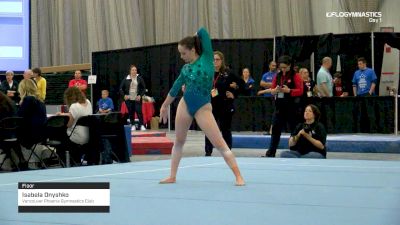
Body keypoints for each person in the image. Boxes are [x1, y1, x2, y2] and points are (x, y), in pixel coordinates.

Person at [158, 27, 244, 186]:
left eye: (183, 53)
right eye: (180, 53)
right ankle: (172, 175)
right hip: (185, 104)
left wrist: (195, 37)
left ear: (192, 50)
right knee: (179, 141)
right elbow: (175, 88)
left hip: (203, 107)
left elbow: (203, 31)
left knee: (220, 144)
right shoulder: (185, 68)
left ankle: (238, 176)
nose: (181, 57)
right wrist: (164, 106)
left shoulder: (207, 58)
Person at [265, 55, 303, 157]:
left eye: (285, 67)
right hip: (279, 107)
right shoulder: (277, 76)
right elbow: (272, 89)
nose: (283, 69)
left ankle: (295, 151)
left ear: (290, 65)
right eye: (281, 67)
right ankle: (271, 152)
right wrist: (274, 91)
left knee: (294, 130)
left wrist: (289, 91)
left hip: (292, 107)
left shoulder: (296, 76)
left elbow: (300, 91)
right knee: (275, 130)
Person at [205, 51, 242, 156]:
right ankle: (208, 152)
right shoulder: (207, 72)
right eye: (213, 59)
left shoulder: (228, 73)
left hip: (225, 105)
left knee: (225, 129)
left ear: (222, 61)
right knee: (209, 129)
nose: (215, 61)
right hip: (210, 105)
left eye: (217, 59)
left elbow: (243, 84)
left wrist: (234, 93)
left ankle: (227, 151)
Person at [56, 87, 93, 162]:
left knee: (60, 134)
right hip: (89, 136)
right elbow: (79, 114)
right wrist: (64, 114)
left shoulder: (73, 106)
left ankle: (64, 160)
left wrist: (62, 116)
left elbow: (69, 124)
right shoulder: (88, 102)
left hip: (77, 138)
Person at [17, 79, 47, 150]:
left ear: (23, 89)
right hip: (41, 134)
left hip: (30, 136)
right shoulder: (40, 101)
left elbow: (19, 118)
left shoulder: (28, 100)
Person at [119, 64, 147, 131]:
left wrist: (140, 95)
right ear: (130, 71)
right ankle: (133, 125)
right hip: (129, 99)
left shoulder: (139, 78)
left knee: (139, 111)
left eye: (135, 70)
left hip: (137, 98)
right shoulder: (126, 79)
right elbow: (120, 88)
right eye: (133, 70)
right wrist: (124, 95)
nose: (134, 71)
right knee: (131, 112)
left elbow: (144, 88)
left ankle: (142, 125)